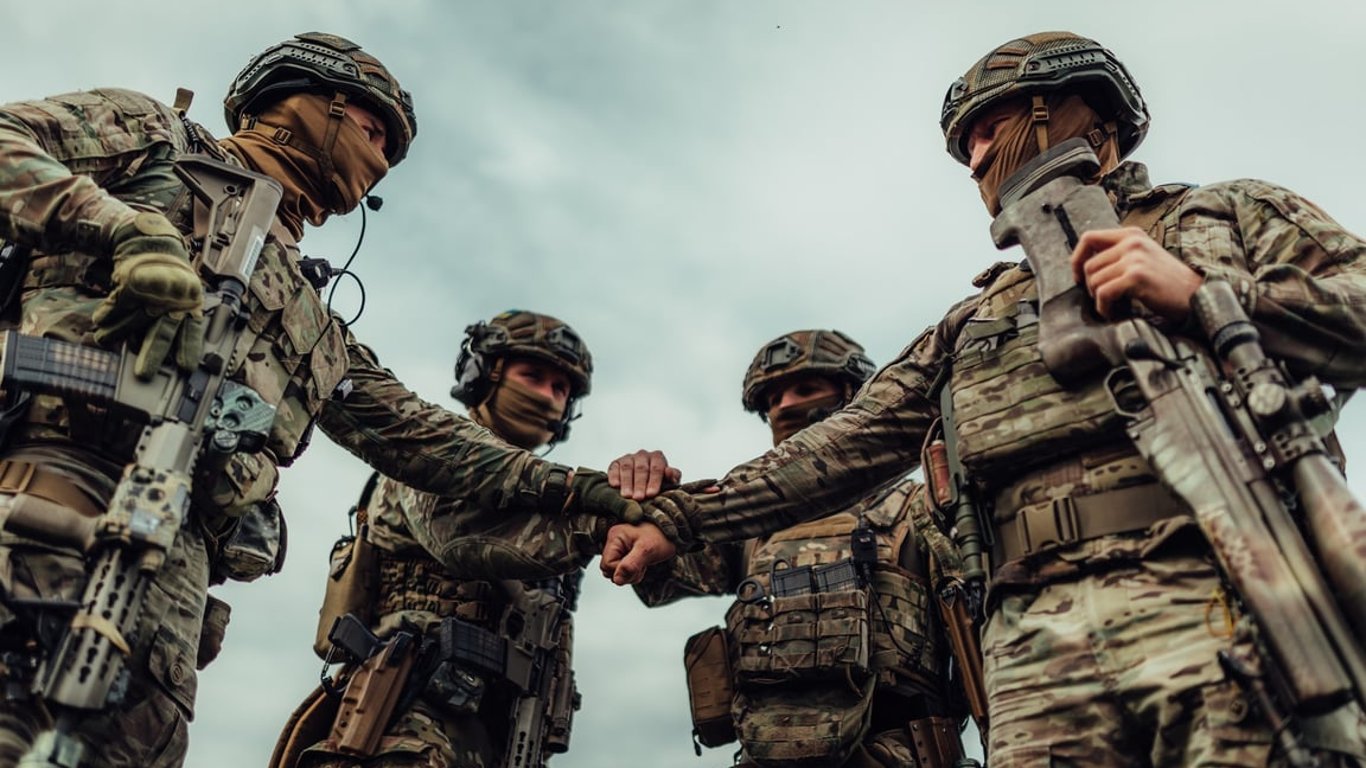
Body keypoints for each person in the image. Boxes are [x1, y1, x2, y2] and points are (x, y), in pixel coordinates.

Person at [605, 30, 1366, 767]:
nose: (975, 160)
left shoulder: (1219, 217)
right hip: (1031, 643)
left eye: (988, 129)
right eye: (964, 145)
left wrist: (1206, 295)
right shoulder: (971, 322)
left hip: (1218, 589)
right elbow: (839, 447)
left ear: (1069, 112)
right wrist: (680, 520)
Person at [0, 32, 658, 768]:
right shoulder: (160, 139)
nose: (381, 158)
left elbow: (422, 436)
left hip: (175, 580)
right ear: (315, 102)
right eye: (375, 131)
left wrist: (584, 491)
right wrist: (125, 231)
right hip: (47, 496)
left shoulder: (313, 319)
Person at [278, 309, 671, 768]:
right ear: (483, 374)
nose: (547, 397)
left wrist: (658, 509)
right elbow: (463, 541)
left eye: (561, 389)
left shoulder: (550, 503)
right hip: (408, 721)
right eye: (533, 376)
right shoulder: (426, 456)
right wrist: (602, 522)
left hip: (491, 735)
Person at [631, 329, 969, 767]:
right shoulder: (753, 527)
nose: (785, 406)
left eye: (805, 389)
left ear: (854, 394)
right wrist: (643, 502)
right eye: (772, 400)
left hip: (899, 751)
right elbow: (657, 570)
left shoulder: (916, 507)